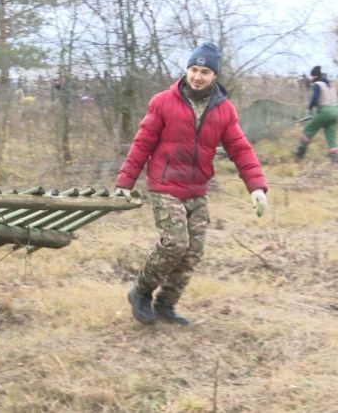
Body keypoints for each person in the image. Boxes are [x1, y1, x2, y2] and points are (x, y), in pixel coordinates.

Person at [115, 42, 268, 326]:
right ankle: (141, 292)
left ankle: (165, 306)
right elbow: (143, 142)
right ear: (187, 70)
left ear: (215, 76)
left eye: (205, 71)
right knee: (175, 243)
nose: (198, 76)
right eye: (193, 69)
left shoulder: (224, 110)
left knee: (193, 252)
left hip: (197, 189)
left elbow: (241, 149)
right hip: (164, 185)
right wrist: (125, 181)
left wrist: (256, 186)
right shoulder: (163, 102)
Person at [293, 65, 338, 164]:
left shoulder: (317, 84)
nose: (312, 78)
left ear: (315, 76)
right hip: (335, 111)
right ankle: (335, 159)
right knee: (331, 135)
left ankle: (299, 153)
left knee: (308, 130)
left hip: (324, 111)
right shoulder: (331, 84)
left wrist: (310, 107)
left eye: (312, 76)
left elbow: (315, 98)